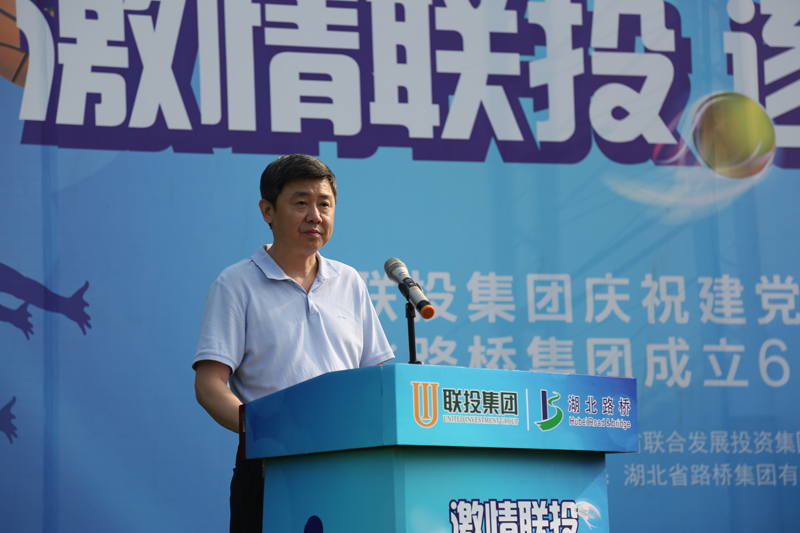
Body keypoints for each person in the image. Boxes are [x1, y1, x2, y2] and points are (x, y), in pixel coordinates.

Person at [192, 154, 394, 532]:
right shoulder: (236, 284)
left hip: (347, 464)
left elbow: (377, 378)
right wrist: (262, 430)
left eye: (325, 204)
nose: (315, 216)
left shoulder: (349, 281)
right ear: (267, 211)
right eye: (301, 203)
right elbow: (209, 384)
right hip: (271, 466)